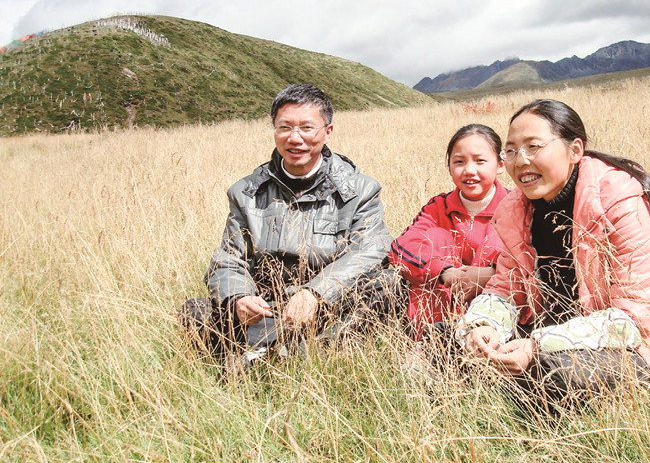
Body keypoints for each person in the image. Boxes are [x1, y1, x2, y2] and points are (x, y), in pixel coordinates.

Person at [455, 99, 650, 408]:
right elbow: (505, 287)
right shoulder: (515, 208)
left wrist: (537, 345)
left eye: (533, 147)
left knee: (552, 373)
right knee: (447, 338)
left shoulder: (619, 199)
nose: (520, 161)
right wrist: (484, 327)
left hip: (640, 342)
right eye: (511, 150)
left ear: (575, 150)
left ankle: (512, 398)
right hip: (552, 330)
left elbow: (637, 317)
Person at [183, 83, 396, 372]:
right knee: (195, 311)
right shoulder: (246, 193)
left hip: (330, 305)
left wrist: (315, 293)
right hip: (268, 307)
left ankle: (293, 352)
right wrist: (239, 298)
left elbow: (370, 250)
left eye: (307, 128)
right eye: (284, 128)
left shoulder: (360, 190)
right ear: (274, 130)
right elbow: (229, 259)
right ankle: (281, 350)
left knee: (389, 284)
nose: (295, 138)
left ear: (327, 132)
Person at [390, 124, 508, 337]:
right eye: (459, 162)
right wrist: (445, 272)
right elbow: (400, 249)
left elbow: (533, 265)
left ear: (500, 164)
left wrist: (489, 274)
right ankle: (429, 340)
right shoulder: (438, 208)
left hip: (494, 307)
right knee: (435, 238)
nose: (469, 170)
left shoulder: (515, 207)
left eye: (480, 161)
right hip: (439, 310)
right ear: (449, 167)